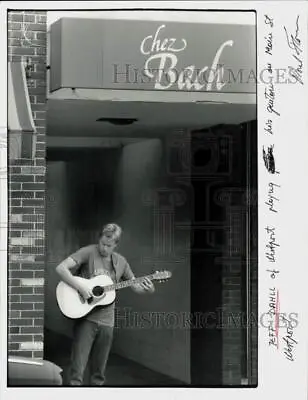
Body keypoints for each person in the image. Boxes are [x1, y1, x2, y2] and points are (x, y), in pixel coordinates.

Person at [55, 223, 155, 386]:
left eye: (109, 246)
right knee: (77, 370)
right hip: (86, 319)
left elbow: (135, 285)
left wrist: (148, 289)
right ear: (100, 238)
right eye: (102, 243)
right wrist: (81, 287)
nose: (104, 248)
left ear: (116, 245)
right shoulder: (88, 252)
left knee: (99, 373)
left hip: (107, 322)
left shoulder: (121, 262)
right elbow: (61, 268)